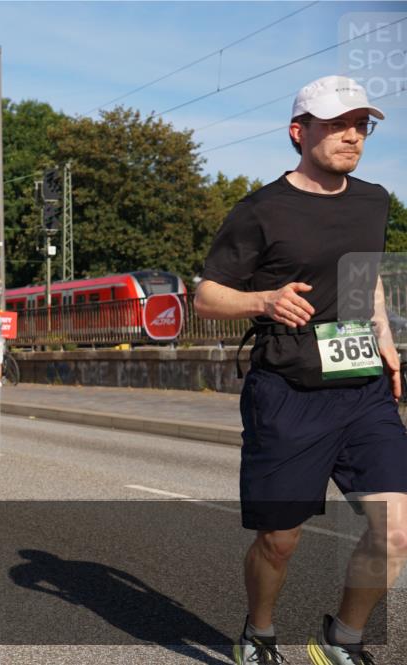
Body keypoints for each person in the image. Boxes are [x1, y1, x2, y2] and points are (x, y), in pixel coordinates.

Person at [195, 75, 406, 665]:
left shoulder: (374, 200)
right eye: (337, 123)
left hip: (363, 387)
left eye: (360, 125)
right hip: (287, 391)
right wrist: (262, 301)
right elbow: (207, 298)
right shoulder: (261, 210)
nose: (353, 136)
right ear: (298, 131)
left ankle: (343, 639)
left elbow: (366, 277)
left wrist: (386, 341)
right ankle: (259, 632)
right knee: (279, 541)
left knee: (397, 529)